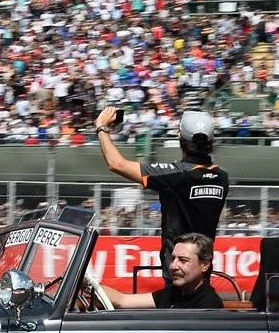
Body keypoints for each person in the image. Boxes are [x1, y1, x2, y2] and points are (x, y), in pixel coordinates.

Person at [93, 107, 230, 261]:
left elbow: (117, 164)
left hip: (177, 263)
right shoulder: (222, 177)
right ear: (212, 141)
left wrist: (102, 128)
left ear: (179, 136)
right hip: (203, 263)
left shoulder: (176, 175)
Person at [90, 234, 225, 309]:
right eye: (173, 259)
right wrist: (89, 284)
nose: (173, 266)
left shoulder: (209, 304)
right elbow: (123, 300)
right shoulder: (172, 293)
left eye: (183, 260)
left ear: (204, 265)